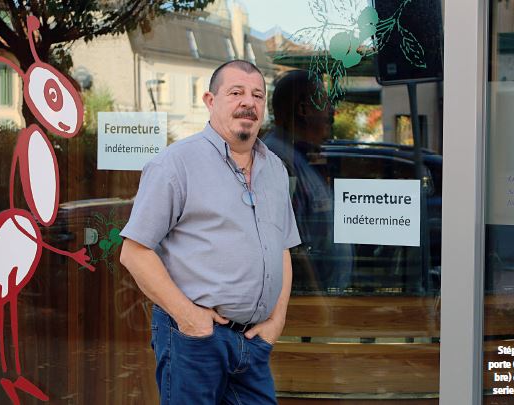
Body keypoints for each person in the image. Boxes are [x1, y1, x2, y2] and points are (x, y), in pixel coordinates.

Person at [119, 60, 301, 404]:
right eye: (236, 93)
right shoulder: (175, 164)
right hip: (195, 341)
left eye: (257, 95)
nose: (248, 102)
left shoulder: (274, 169)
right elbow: (134, 251)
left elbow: (283, 248)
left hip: (253, 345)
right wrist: (190, 319)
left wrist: (277, 320)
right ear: (210, 100)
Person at [264, 69, 352, 292]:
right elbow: (291, 249)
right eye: (324, 102)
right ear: (304, 109)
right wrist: (319, 306)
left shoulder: (297, 155)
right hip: (306, 301)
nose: (331, 111)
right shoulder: (277, 160)